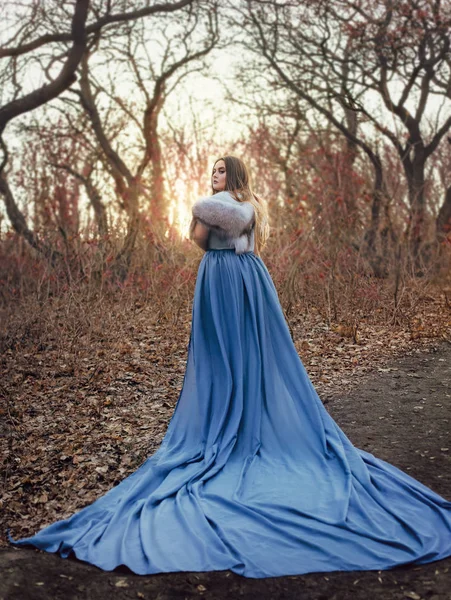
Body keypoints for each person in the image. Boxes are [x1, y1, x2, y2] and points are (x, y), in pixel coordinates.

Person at [8, 156, 451, 578]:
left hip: (244, 281)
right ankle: (220, 417)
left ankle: (254, 421)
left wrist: (201, 206)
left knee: (250, 355)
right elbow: (200, 239)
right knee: (217, 358)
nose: (215, 175)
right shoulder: (218, 207)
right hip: (213, 278)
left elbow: (229, 222)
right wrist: (200, 217)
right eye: (212, 170)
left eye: (222, 170)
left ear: (234, 174)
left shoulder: (245, 205)